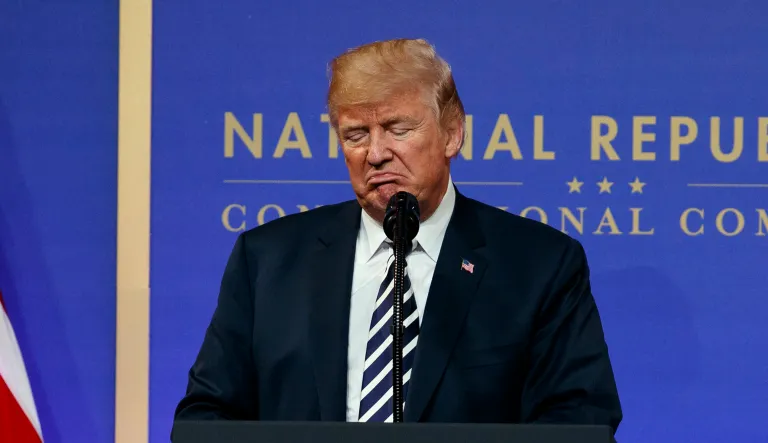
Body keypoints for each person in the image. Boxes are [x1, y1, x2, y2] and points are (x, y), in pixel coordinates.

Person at [173, 38, 622, 433]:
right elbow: (207, 415)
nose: (376, 153)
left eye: (397, 129)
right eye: (355, 135)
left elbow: (578, 418)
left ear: (452, 132)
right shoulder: (267, 260)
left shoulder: (538, 265)